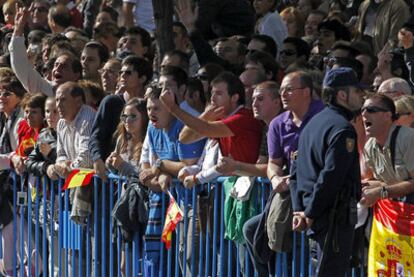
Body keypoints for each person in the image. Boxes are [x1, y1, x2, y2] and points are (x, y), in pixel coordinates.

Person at [290, 67, 364, 276]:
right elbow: (331, 177)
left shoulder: (312, 123)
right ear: (342, 95)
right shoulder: (342, 128)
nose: (361, 97)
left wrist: (300, 209)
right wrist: (310, 213)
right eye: (357, 92)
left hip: (315, 215)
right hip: (332, 217)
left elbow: (295, 172)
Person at [360, 94, 414, 207]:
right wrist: (360, 186)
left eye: (371, 110)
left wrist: (380, 192)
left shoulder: (408, 138)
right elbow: (388, 183)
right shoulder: (369, 146)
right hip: (400, 214)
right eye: (362, 110)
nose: (364, 114)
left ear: (388, 115)